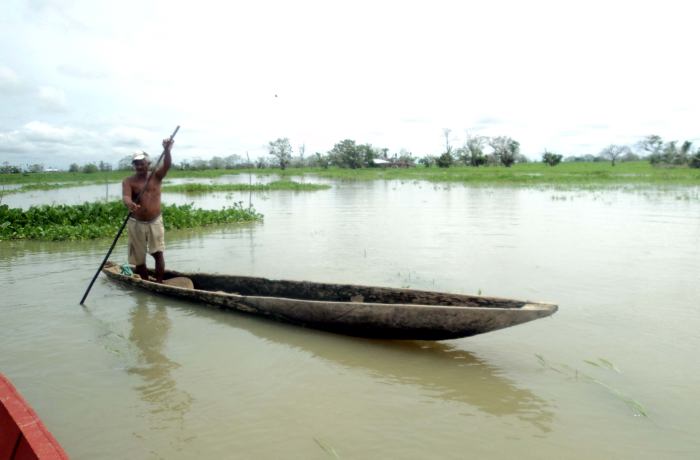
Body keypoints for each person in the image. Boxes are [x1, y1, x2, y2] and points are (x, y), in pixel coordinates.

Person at [122, 138, 174, 283]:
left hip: (155, 221)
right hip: (136, 222)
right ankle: (145, 282)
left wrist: (167, 150)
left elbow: (167, 165)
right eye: (136, 164)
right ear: (133, 166)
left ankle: (159, 282)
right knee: (139, 258)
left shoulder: (156, 176)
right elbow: (126, 196)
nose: (140, 167)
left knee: (158, 253)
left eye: (142, 163)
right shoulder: (128, 181)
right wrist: (130, 203)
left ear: (148, 164)